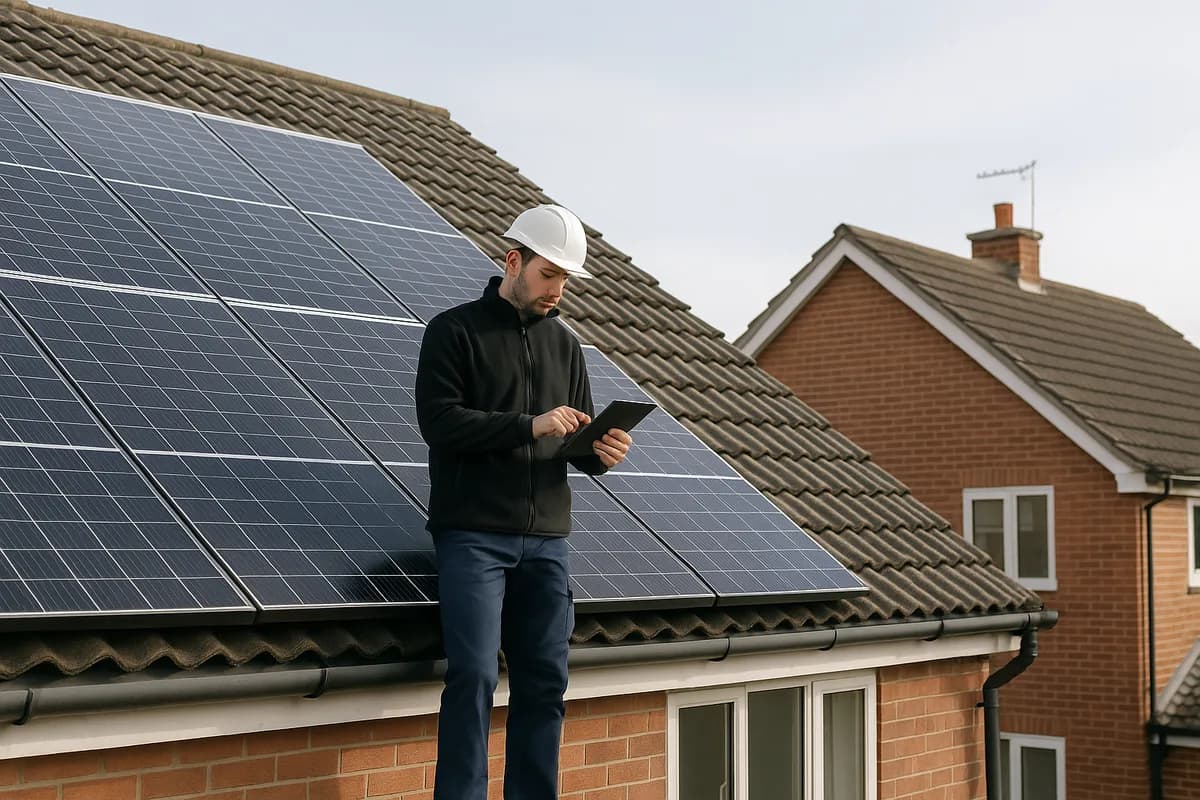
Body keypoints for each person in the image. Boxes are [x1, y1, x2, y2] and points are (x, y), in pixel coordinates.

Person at [415, 204, 634, 800]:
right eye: (548, 275)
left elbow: (574, 446)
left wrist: (599, 452)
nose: (556, 291)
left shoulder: (567, 346)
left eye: (565, 280)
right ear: (514, 262)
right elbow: (439, 423)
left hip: (547, 543)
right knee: (475, 677)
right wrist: (528, 426)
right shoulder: (453, 331)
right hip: (473, 535)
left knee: (544, 681)